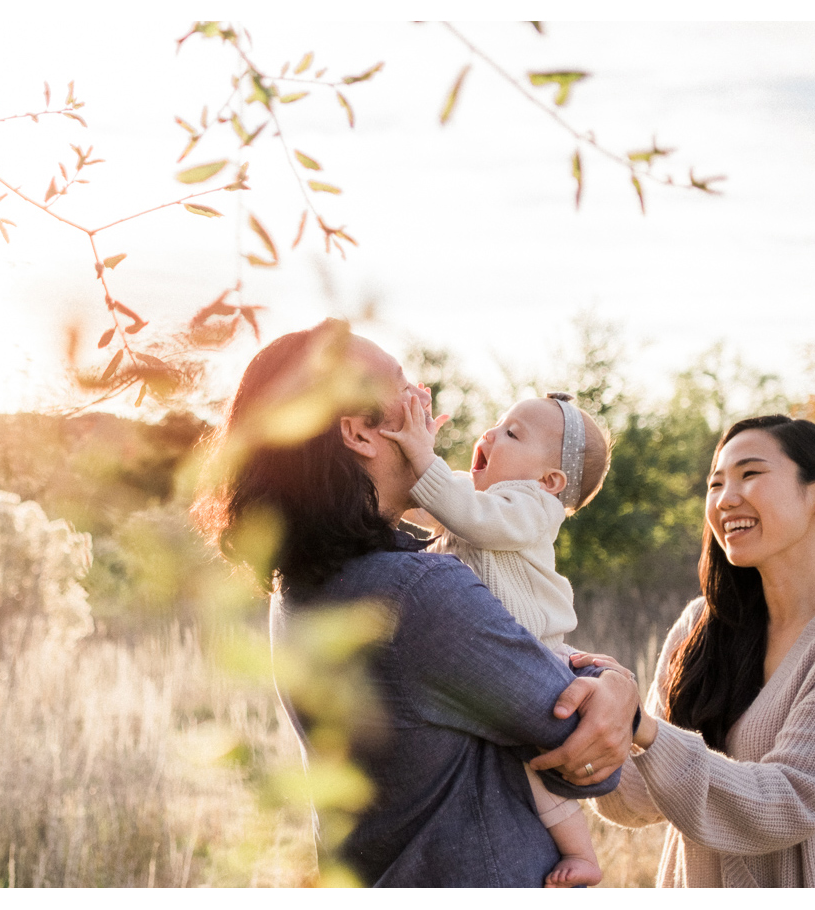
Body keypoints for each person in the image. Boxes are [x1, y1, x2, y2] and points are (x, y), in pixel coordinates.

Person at [191, 319, 643, 886]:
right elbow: (586, 758)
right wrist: (615, 686)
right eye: (403, 385)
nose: (422, 396)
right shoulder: (416, 595)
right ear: (359, 434)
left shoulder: (306, 584)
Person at [582, 415, 815, 887]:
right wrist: (573, 717)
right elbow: (639, 800)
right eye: (715, 483)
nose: (725, 499)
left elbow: (790, 803)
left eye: (750, 474)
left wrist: (642, 728)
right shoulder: (700, 626)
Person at [378, 390, 611, 887]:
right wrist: (406, 452)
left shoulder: (533, 507)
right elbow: (424, 499)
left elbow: (470, 515)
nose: (490, 434)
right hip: (496, 655)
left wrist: (423, 457)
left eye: (512, 433)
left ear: (550, 482)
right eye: (497, 423)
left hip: (541, 650)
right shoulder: (473, 496)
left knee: (536, 763)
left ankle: (582, 854)